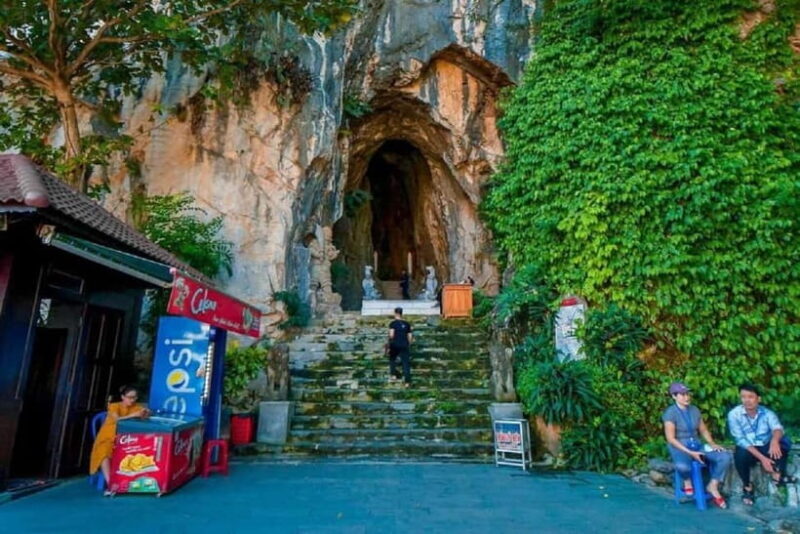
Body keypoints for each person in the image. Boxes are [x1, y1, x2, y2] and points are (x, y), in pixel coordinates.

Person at [662, 381, 732, 509]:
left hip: (696, 444)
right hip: (680, 446)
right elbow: (671, 439)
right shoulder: (670, 413)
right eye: (682, 395)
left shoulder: (694, 410)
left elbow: (703, 430)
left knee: (724, 456)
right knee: (683, 467)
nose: (687, 397)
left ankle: (713, 485)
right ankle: (687, 480)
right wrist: (690, 453)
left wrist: (712, 443)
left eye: (687, 394)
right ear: (674, 396)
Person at [728, 383, 797, 505]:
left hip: (765, 445)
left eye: (751, 397)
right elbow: (740, 440)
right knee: (740, 454)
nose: (747, 400)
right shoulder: (734, 414)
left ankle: (778, 475)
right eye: (743, 397)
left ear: (758, 399)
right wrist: (763, 459)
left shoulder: (767, 413)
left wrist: (774, 441)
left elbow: (778, 428)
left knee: (784, 442)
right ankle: (747, 487)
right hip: (748, 449)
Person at [89, 385, 150, 494]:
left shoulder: (137, 407)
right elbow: (117, 419)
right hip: (108, 436)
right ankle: (110, 484)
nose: (132, 400)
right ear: (123, 397)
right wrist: (133, 415)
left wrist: (145, 413)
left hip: (126, 437)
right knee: (104, 451)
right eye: (130, 397)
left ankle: (134, 481)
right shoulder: (114, 406)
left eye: (135, 397)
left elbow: (144, 416)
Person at [387, 307, 413, 387]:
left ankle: (394, 375)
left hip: (395, 344)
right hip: (404, 344)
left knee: (392, 359)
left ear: (395, 313)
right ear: (401, 314)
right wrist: (408, 344)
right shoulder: (407, 324)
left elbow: (391, 335)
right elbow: (410, 337)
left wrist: (389, 343)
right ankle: (407, 382)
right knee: (405, 363)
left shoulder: (393, 323)